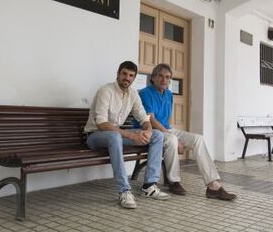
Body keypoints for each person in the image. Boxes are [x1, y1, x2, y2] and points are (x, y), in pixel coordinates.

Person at [138, 63, 236, 201]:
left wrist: (173, 133)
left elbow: (166, 119)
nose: (164, 79)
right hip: (151, 131)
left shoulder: (169, 95)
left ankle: (213, 185)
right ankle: (174, 181)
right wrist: (174, 136)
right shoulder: (145, 93)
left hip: (166, 128)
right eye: (160, 76)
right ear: (153, 77)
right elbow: (151, 120)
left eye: (167, 77)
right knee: (172, 140)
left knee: (198, 139)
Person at [85, 61, 170, 209]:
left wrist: (148, 130)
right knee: (115, 136)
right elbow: (101, 123)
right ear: (118, 73)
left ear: (134, 78)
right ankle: (124, 190)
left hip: (115, 135)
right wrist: (131, 136)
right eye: (124, 74)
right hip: (96, 136)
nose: (127, 78)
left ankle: (149, 186)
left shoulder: (133, 94)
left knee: (157, 135)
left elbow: (144, 118)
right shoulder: (106, 91)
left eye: (131, 75)